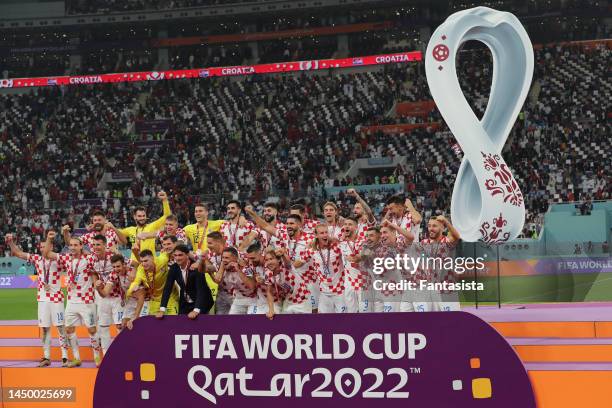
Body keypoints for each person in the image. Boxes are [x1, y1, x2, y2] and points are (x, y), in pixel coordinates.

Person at [6, 234, 69, 367]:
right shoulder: (37, 259)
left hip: (56, 298)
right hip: (42, 299)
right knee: (45, 328)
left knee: (60, 327)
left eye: (45, 246)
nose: (42, 248)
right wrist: (11, 242)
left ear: (51, 246)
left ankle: (65, 357)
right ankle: (46, 357)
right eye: (40, 247)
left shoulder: (58, 260)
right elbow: (17, 253)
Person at [42, 231, 102, 368]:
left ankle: (97, 357)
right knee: (69, 329)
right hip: (71, 301)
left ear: (82, 246)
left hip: (87, 301)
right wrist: (49, 239)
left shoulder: (89, 259)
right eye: (70, 245)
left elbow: (97, 261)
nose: (73, 247)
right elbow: (46, 254)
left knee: (92, 330)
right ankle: (76, 358)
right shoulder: (66, 258)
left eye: (76, 245)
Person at [156, 244, 214, 319]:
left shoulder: (196, 267)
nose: (177, 258)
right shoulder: (174, 268)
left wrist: (196, 310)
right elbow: (167, 288)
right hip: (185, 301)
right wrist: (162, 309)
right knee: (181, 325)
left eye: (180, 255)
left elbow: (201, 290)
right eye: (175, 255)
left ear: (187, 255)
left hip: (202, 301)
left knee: (199, 327)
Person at [419, 215, 461, 312]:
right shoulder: (423, 243)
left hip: (447, 288)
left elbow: (457, 236)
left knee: (452, 322)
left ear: (442, 227)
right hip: (431, 290)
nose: (431, 229)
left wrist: (446, 221)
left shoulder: (447, 241)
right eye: (429, 226)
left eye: (434, 226)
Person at [183, 203, 224, 302]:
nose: (198, 213)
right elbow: (174, 232)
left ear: (207, 212)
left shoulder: (217, 224)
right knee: (200, 298)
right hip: (198, 266)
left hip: (212, 265)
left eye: (200, 211)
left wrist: (242, 219)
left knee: (213, 298)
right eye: (196, 211)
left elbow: (235, 222)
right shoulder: (189, 228)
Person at [89, 234, 122, 359]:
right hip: (102, 297)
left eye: (98, 244)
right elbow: (93, 273)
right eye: (94, 245)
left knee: (120, 326)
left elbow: (124, 265)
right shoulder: (91, 259)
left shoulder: (112, 256)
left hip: (117, 296)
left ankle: (122, 355)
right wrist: (95, 282)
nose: (96, 247)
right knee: (103, 326)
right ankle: (106, 356)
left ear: (104, 245)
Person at [306, 224, 346, 314]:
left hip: (340, 292)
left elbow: (347, 245)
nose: (325, 235)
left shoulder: (336, 248)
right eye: (321, 233)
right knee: (324, 324)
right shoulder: (311, 251)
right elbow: (297, 263)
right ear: (316, 235)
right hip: (324, 293)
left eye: (326, 232)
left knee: (344, 324)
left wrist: (336, 240)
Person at [116, 191, 171, 256]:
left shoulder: (152, 226)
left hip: (149, 262)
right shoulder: (130, 230)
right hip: (135, 262)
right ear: (134, 217)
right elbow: (118, 233)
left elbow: (167, 216)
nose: (142, 218)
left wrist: (164, 200)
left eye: (143, 216)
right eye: (139, 216)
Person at [100, 254, 146, 330]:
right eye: (114, 267)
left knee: (139, 324)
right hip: (130, 300)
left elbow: (141, 296)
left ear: (124, 264)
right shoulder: (113, 274)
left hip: (143, 301)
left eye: (118, 266)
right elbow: (104, 293)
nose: (116, 269)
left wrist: (135, 317)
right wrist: (99, 288)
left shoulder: (133, 274)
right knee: (124, 325)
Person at [339, 217, 367, 313]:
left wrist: (360, 256)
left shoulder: (363, 241)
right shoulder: (341, 243)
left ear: (356, 227)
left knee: (365, 314)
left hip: (364, 283)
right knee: (351, 313)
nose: (346, 226)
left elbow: (368, 252)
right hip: (349, 283)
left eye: (350, 224)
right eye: (345, 224)